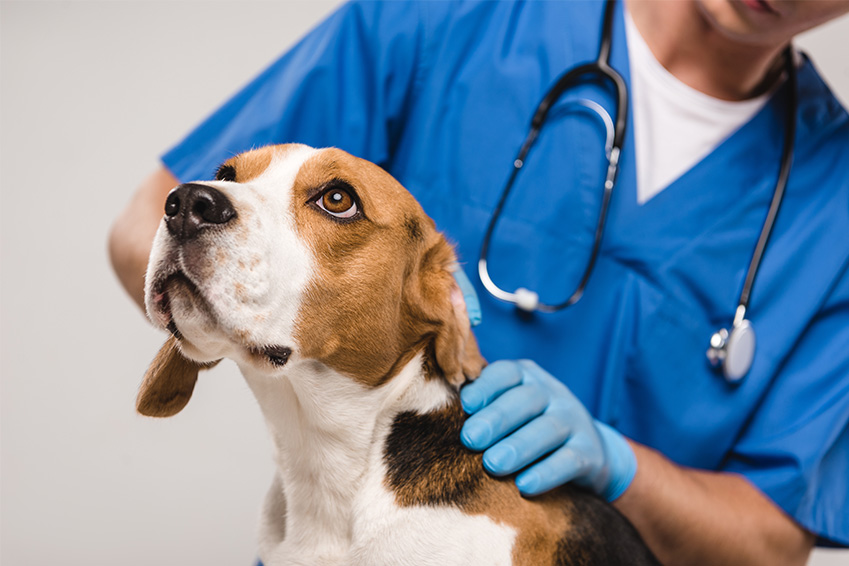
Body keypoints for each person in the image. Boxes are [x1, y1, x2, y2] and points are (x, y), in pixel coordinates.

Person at [109, 0, 849, 564]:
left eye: (333, 201)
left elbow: (770, 539)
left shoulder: (835, 203)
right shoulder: (444, 18)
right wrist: (248, 320)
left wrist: (618, 464)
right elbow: (154, 224)